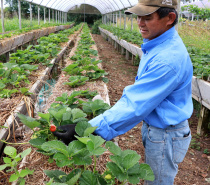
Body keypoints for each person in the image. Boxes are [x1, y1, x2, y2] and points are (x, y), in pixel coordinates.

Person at [53, 0, 193, 184]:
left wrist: (91, 130)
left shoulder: (168, 59)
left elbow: (135, 105)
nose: (140, 23)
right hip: (158, 128)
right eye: (139, 17)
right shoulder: (158, 44)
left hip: (166, 134)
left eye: (148, 18)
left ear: (170, 18)